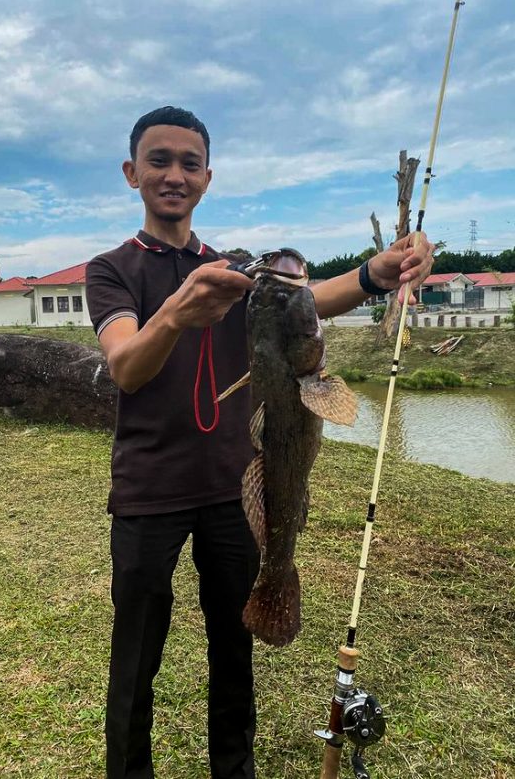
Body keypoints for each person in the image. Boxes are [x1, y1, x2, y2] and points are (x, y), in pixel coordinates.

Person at [85, 105, 434, 779]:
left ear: (207, 178)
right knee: (135, 657)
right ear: (132, 173)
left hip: (232, 489)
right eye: (159, 160)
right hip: (148, 491)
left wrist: (374, 274)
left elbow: (305, 301)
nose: (174, 175)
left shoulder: (232, 269)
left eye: (189, 163)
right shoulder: (113, 270)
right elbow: (124, 364)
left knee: (232, 654)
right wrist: (177, 311)